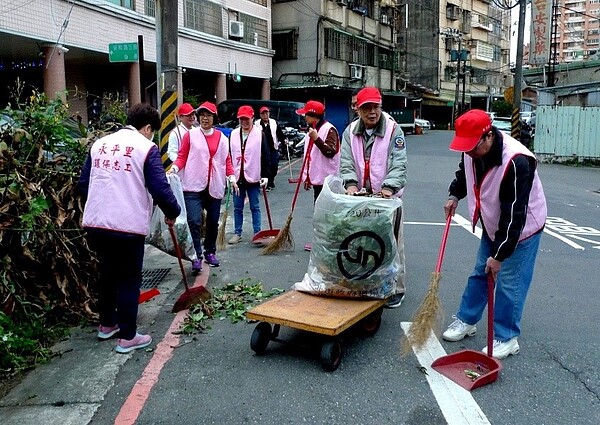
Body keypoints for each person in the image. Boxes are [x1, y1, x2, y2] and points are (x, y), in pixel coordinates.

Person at [442, 109, 547, 360]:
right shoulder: (472, 148)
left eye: (472, 147)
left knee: (510, 281)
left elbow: (514, 215)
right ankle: (467, 320)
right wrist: (454, 195)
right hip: (492, 221)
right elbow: (464, 173)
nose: (468, 152)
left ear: (488, 136)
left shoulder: (517, 160)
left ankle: (507, 336)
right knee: (481, 271)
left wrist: (499, 256)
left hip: (521, 229)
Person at [79, 103, 180, 354]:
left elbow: (83, 185)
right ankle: (128, 336)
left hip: (96, 223)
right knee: (128, 279)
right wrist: (173, 212)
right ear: (147, 128)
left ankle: (107, 324)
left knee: (107, 275)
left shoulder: (100, 145)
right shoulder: (146, 148)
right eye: (152, 131)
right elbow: (160, 187)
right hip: (126, 226)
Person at [339, 86, 407, 309]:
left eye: (375, 107)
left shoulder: (393, 130)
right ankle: (367, 282)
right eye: (366, 108)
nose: (372, 112)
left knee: (393, 243)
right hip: (360, 196)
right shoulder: (349, 132)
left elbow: (399, 164)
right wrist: (350, 185)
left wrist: (388, 189)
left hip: (387, 198)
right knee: (363, 241)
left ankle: (397, 288)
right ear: (358, 109)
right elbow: (346, 162)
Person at [169, 101, 238, 272]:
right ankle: (196, 256)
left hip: (214, 185)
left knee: (213, 222)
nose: (205, 118)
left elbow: (226, 160)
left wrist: (232, 177)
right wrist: (174, 169)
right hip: (193, 184)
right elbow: (182, 156)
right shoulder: (190, 136)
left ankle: (210, 251)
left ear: (214, 117)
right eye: (202, 115)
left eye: (208, 115)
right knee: (194, 220)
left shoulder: (222, 138)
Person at [228, 105, 271, 244]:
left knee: (255, 206)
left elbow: (266, 155)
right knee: (237, 207)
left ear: (252, 118)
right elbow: (229, 155)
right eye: (241, 119)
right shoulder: (233, 134)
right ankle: (237, 232)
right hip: (237, 176)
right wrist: (230, 174)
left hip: (253, 175)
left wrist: (265, 175)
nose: (244, 122)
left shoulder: (260, 134)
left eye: (247, 119)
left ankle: (257, 233)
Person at [255, 106, 285, 191]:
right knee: (265, 166)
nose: (265, 115)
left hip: (273, 148)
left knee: (274, 166)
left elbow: (279, 133)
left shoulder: (273, 122)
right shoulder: (256, 124)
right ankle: (266, 183)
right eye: (263, 113)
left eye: (266, 113)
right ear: (260, 115)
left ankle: (271, 180)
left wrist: (284, 140)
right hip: (262, 149)